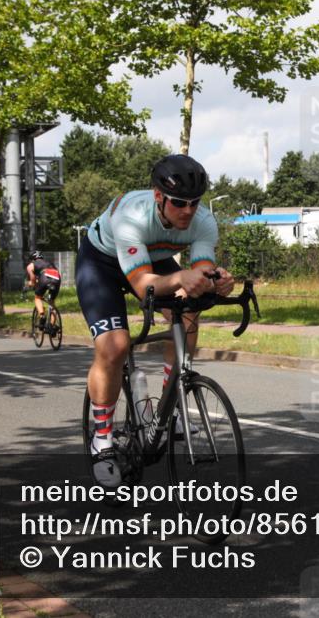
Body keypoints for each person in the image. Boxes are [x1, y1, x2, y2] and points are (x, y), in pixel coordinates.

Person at [75, 154, 234, 487]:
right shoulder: (132, 216)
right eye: (179, 203)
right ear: (159, 197)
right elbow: (141, 284)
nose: (188, 211)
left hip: (153, 259)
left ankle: (167, 408)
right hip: (102, 263)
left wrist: (216, 280)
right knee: (115, 345)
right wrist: (180, 279)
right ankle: (102, 437)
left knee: (189, 310)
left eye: (194, 203)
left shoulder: (204, 220)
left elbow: (201, 269)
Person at [25, 251, 62, 330]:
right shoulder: (49, 263)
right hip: (57, 277)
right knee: (51, 302)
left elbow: (33, 280)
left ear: (32, 259)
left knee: (37, 297)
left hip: (44, 277)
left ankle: (42, 316)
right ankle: (52, 326)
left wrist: (31, 284)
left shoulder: (31, 265)